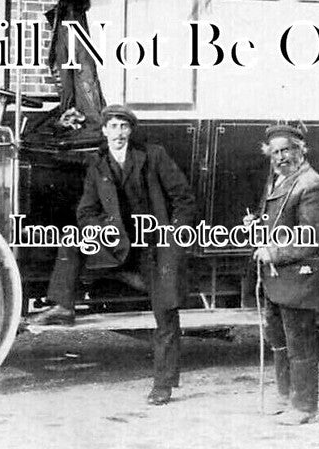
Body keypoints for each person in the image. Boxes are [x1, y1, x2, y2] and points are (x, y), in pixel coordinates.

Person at [28, 103, 196, 406]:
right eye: (112, 127)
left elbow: (184, 199)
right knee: (73, 240)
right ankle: (64, 306)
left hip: (155, 246)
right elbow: (86, 211)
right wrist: (101, 228)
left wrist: (174, 234)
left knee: (166, 312)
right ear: (103, 131)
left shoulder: (153, 156)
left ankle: (164, 383)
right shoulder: (98, 165)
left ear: (130, 131)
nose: (118, 133)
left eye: (123, 126)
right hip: (117, 245)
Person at [253, 124, 319, 425]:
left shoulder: (307, 183)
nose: (281, 157)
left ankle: (304, 406)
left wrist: (274, 252)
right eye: (276, 152)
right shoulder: (280, 180)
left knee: (300, 344)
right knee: (280, 341)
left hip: (296, 277)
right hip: (277, 279)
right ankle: (286, 397)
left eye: (287, 150)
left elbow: (312, 238)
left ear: (300, 150)